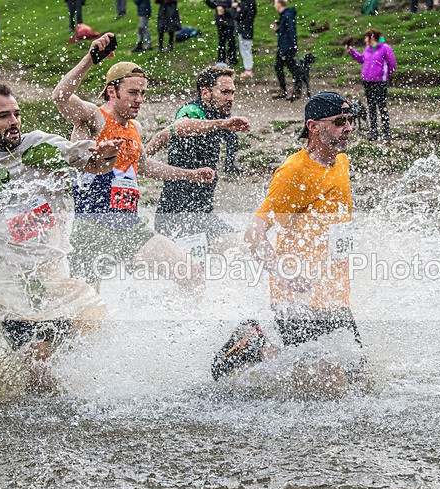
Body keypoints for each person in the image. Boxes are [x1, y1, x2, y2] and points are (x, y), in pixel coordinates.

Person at [0, 82, 121, 392]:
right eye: (3, 116)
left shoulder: (40, 145)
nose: (14, 122)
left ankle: (21, 387)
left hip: (52, 276)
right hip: (7, 281)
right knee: (37, 358)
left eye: (16, 114)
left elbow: (95, 164)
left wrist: (108, 156)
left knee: (92, 316)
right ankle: (35, 422)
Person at [51, 34, 216, 293]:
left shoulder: (135, 127)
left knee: (191, 273)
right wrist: (90, 60)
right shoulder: (94, 117)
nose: (139, 99)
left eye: (142, 93)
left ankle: (182, 331)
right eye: (133, 92)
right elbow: (60, 96)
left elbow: (144, 166)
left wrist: (189, 174)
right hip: (92, 229)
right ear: (112, 91)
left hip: (130, 225)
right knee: (88, 308)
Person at [243, 92, 366, 394]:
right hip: (297, 300)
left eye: (350, 120)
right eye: (339, 122)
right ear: (313, 126)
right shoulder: (294, 173)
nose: (348, 128)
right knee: (326, 391)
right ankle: (254, 346)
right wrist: (283, 270)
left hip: (333, 293)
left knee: (361, 380)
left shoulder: (341, 162)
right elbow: (253, 235)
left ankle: (259, 344)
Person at [145, 66, 250, 248]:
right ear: (205, 93)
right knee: (234, 249)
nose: (230, 98)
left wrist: (141, 157)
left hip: (201, 213)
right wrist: (222, 124)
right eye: (224, 92)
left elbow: (164, 134)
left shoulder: (216, 115)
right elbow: (179, 127)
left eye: (232, 92)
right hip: (178, 215)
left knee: (236, 251)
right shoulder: (193, 110)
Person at [347, 28, 397, 141]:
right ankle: (374, 132)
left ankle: (386, 133)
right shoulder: (368, 49)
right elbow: (361, 59)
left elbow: (392, 64)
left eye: (366, 37)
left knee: (382, 107)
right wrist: (351, 51)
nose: (364, 40)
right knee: (371, 107)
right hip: (367, 82)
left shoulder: (385, 48)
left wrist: (385, 76)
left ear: (372, 37)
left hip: (380, 82)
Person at [271, 0, 301, 101]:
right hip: (283, 47)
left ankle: (296, 91)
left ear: (279, 4)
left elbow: (292, 32)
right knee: (279, 66)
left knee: (292, 68)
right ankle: (284, 90)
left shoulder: (287, 15)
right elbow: (286, 31)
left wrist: (293, 47)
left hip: (287, 48)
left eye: (275, 3)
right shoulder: (284, 15)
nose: (274, 5)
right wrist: (278, 29)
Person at [206, 0, 238, 67]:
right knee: (221, 41)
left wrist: (224, 10)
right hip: (220, 22)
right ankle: (221, 59)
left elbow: (233, 11)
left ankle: (232, 59)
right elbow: (213, 5)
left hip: (229, 23)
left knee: (231, 41)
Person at [233, 0, 256, 78]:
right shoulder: (252, 3)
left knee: (245, 50)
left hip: (244, 31)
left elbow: (236, 16)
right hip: (249, 29)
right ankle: (248, 69)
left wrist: (234, 8)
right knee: (247, 49)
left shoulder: (243, 4)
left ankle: (248, 70)